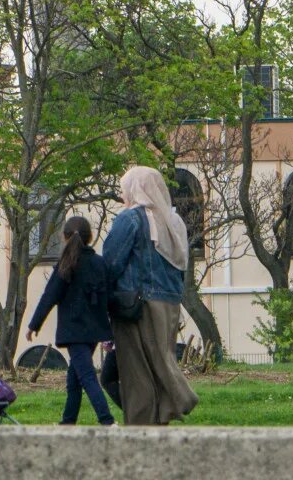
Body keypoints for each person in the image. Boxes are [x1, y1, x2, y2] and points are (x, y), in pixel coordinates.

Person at [100, 166, 199, 426]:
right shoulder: (174, 221)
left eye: (125, 189)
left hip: (136, 304)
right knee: (160, 359)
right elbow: (181, 266)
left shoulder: (130, 218)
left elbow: (111, 262)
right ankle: (161, 416)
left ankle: (163, 408)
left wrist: (103, 300)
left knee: (136, 368)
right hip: (169, 303)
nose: (123, 196)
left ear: (136, 189)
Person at [27, 215, 115, 426]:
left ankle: (107, 421)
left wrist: (33, 325)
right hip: (94, 330)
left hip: (74, 331)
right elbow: (109, 297)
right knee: (74, 378)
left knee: (86, 376)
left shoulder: (66, 264)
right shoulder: (99, 263)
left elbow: (50, 296)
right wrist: (111, 329)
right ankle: (68, 422)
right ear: (90, 237)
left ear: (65, 238)